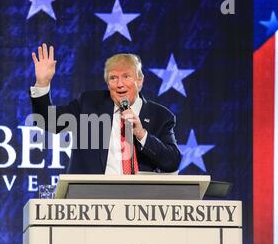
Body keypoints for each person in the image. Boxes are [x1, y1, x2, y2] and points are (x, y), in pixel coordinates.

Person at [29, 43, 181, 175]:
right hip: (92, 200)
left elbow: (172, 162)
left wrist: (142, 134)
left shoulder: (161, 116)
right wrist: (42, 83)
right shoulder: (89, 104)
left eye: (126, 76)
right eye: (113, 78)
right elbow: (47, 120)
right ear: (108, 84)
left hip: (139, 202)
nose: (119, 84)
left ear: (139, 81)